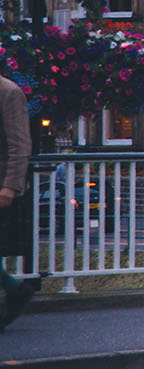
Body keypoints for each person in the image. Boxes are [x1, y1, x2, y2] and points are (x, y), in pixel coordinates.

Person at [0, 74, 37, 330]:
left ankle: (15, 289)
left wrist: (10, 187)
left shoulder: (9, 93)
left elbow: (20, 145)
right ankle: (15, 289)